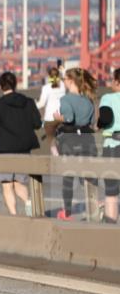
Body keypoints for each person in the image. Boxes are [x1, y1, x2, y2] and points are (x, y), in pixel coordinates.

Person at [0, 72, 42, 217]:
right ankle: (28, 202)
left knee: (7, 185)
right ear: (15, 84)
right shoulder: (28, 102)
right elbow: (37, 124)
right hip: (24, 150)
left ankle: (14, 216)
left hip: (4, 151)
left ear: (0, 86)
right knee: (20, 182)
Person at [54, 67, 100, 221]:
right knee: (88, 176)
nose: (64, 82)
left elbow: (68, 118)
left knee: (68, 178)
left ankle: (66, 213)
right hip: (87, 139)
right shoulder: (88, 100)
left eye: (65, 79)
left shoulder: (66, 99)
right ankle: (94, 209)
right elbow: (92, 123)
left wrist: (57, 118)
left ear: (71, 81)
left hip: (70, 140)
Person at [99, 68, 120, 224]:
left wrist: (99, 123)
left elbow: (106, 118)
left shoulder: (107, 98)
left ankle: (111, 231)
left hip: (113, 146)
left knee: (111, 192)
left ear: (117, 82)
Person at [37, 67, 66, 157]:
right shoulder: (63, 85)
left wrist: (33, 105)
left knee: (51, 139)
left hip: (50, 118)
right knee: (62, 137)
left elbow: (41, 104)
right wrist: (64, 72)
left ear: (49, 76)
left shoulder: (46, 88)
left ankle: (55, 154)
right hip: (61, 116)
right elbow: (66, 80)